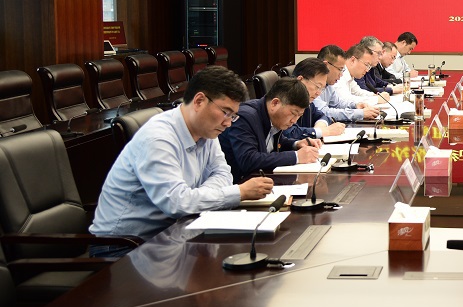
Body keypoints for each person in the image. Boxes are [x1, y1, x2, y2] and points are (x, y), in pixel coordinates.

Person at [90, 66, 273, 254]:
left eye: (233, 116)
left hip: (174, 233)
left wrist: (196, 197)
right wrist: (238, 192)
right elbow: (177, 203)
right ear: (199, 101)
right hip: (123, 247)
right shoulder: (159, 139)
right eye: (225, 112)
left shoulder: (207, 131)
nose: (228, 123)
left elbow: (223, 173)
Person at [219, 77, 321, 181]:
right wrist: (296, 156)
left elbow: (271, 143)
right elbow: (248, 160)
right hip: (238, 183)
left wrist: (296, 144)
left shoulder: (271, 116)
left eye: (299, 116)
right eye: (293, 113)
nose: (294, 121)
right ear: (275, 103)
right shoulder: (245, 117)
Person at [282, 57, 346, 143]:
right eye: (317, 87)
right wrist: (322, 132)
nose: (318, 93)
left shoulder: (308, 102)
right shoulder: (285, 99)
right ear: (300, 80)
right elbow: (288, 133)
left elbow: (323, 116)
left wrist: (320, 126)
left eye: (322, 89)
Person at [314, 44, 381, 123]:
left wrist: (355, 105)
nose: (341, 74)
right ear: (326, 65)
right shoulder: (312, 83)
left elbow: (338, 103)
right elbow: (324, 112)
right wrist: (360, 113)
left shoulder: (328, 85)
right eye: (340, 69)